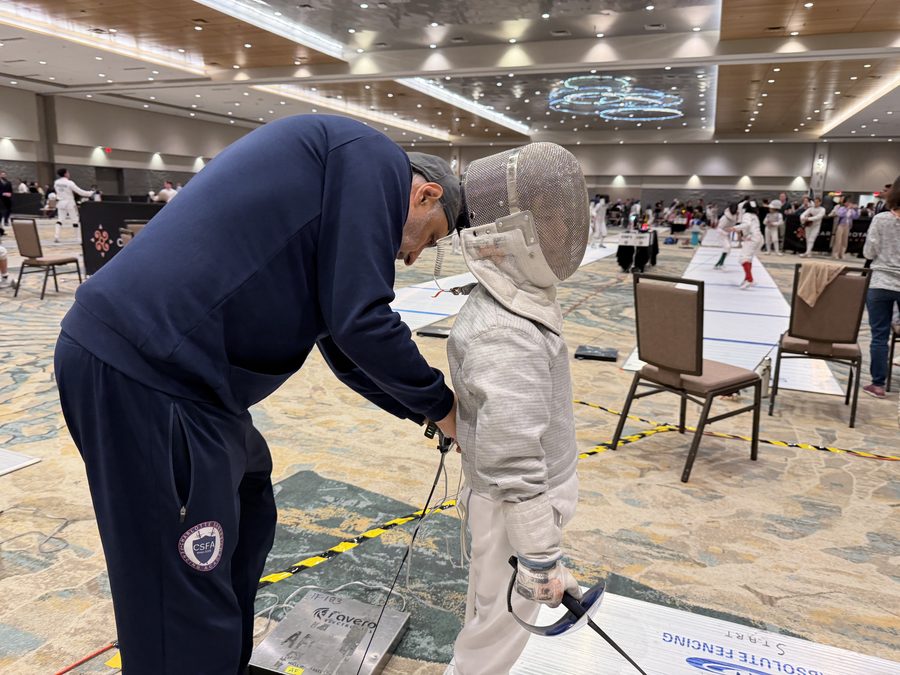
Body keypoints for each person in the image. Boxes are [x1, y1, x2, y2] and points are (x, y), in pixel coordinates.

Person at [53, 115, 463, 675]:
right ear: (425, 193)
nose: (413, 257)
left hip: (192, 384)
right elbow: (361, 322)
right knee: (183, 582)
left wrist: (430, 414)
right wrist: (445, 404)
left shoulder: (340, 176)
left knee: (248, 506)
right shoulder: (372, 157)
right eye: (431, 237)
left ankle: (221, 662)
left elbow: (345, 351)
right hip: (147, 375)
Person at [447, 143, 584, 675]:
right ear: (511, 233)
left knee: (492, 600)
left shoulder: (515, 304)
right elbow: (511, 459)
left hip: (521, 500)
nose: (560, 228)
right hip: (516, 504)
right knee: (501, 627)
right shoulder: (504, 330)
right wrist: (540, 557)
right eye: (546, 218)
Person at [862, 176, 900, 399]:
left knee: (879, 336)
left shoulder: (881, 219)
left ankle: (878, 384)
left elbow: (869, 252)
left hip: (881, 282)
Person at [53, 168, 93, 243]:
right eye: (68, 172)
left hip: (61, 203)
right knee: (75, 220)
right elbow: (80, 192)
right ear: (65, 174)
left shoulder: (56, 182)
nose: (69, 174)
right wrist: (90, 193)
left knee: (60, 219)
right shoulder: (69, 183)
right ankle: (78, 238)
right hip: (70, 203)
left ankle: (56, 236)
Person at [731, 200, 764, 288]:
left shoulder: (747, 215)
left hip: (752, 238)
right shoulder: (754, 216)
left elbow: (747, 224)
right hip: (758, 238)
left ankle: (750, 279)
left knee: (744, 258)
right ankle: (747, 278)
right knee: (748, 259)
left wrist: (734, 228)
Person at [711, 202, 738, 270]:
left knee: (728, 250)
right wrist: (726, 232)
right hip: (721, 234)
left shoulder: (735, 216)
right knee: (727, 247)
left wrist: (731, 230)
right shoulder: (725, 218)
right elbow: (718, 228)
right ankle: (719, 264)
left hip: (727, 234)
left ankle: (719, 264)